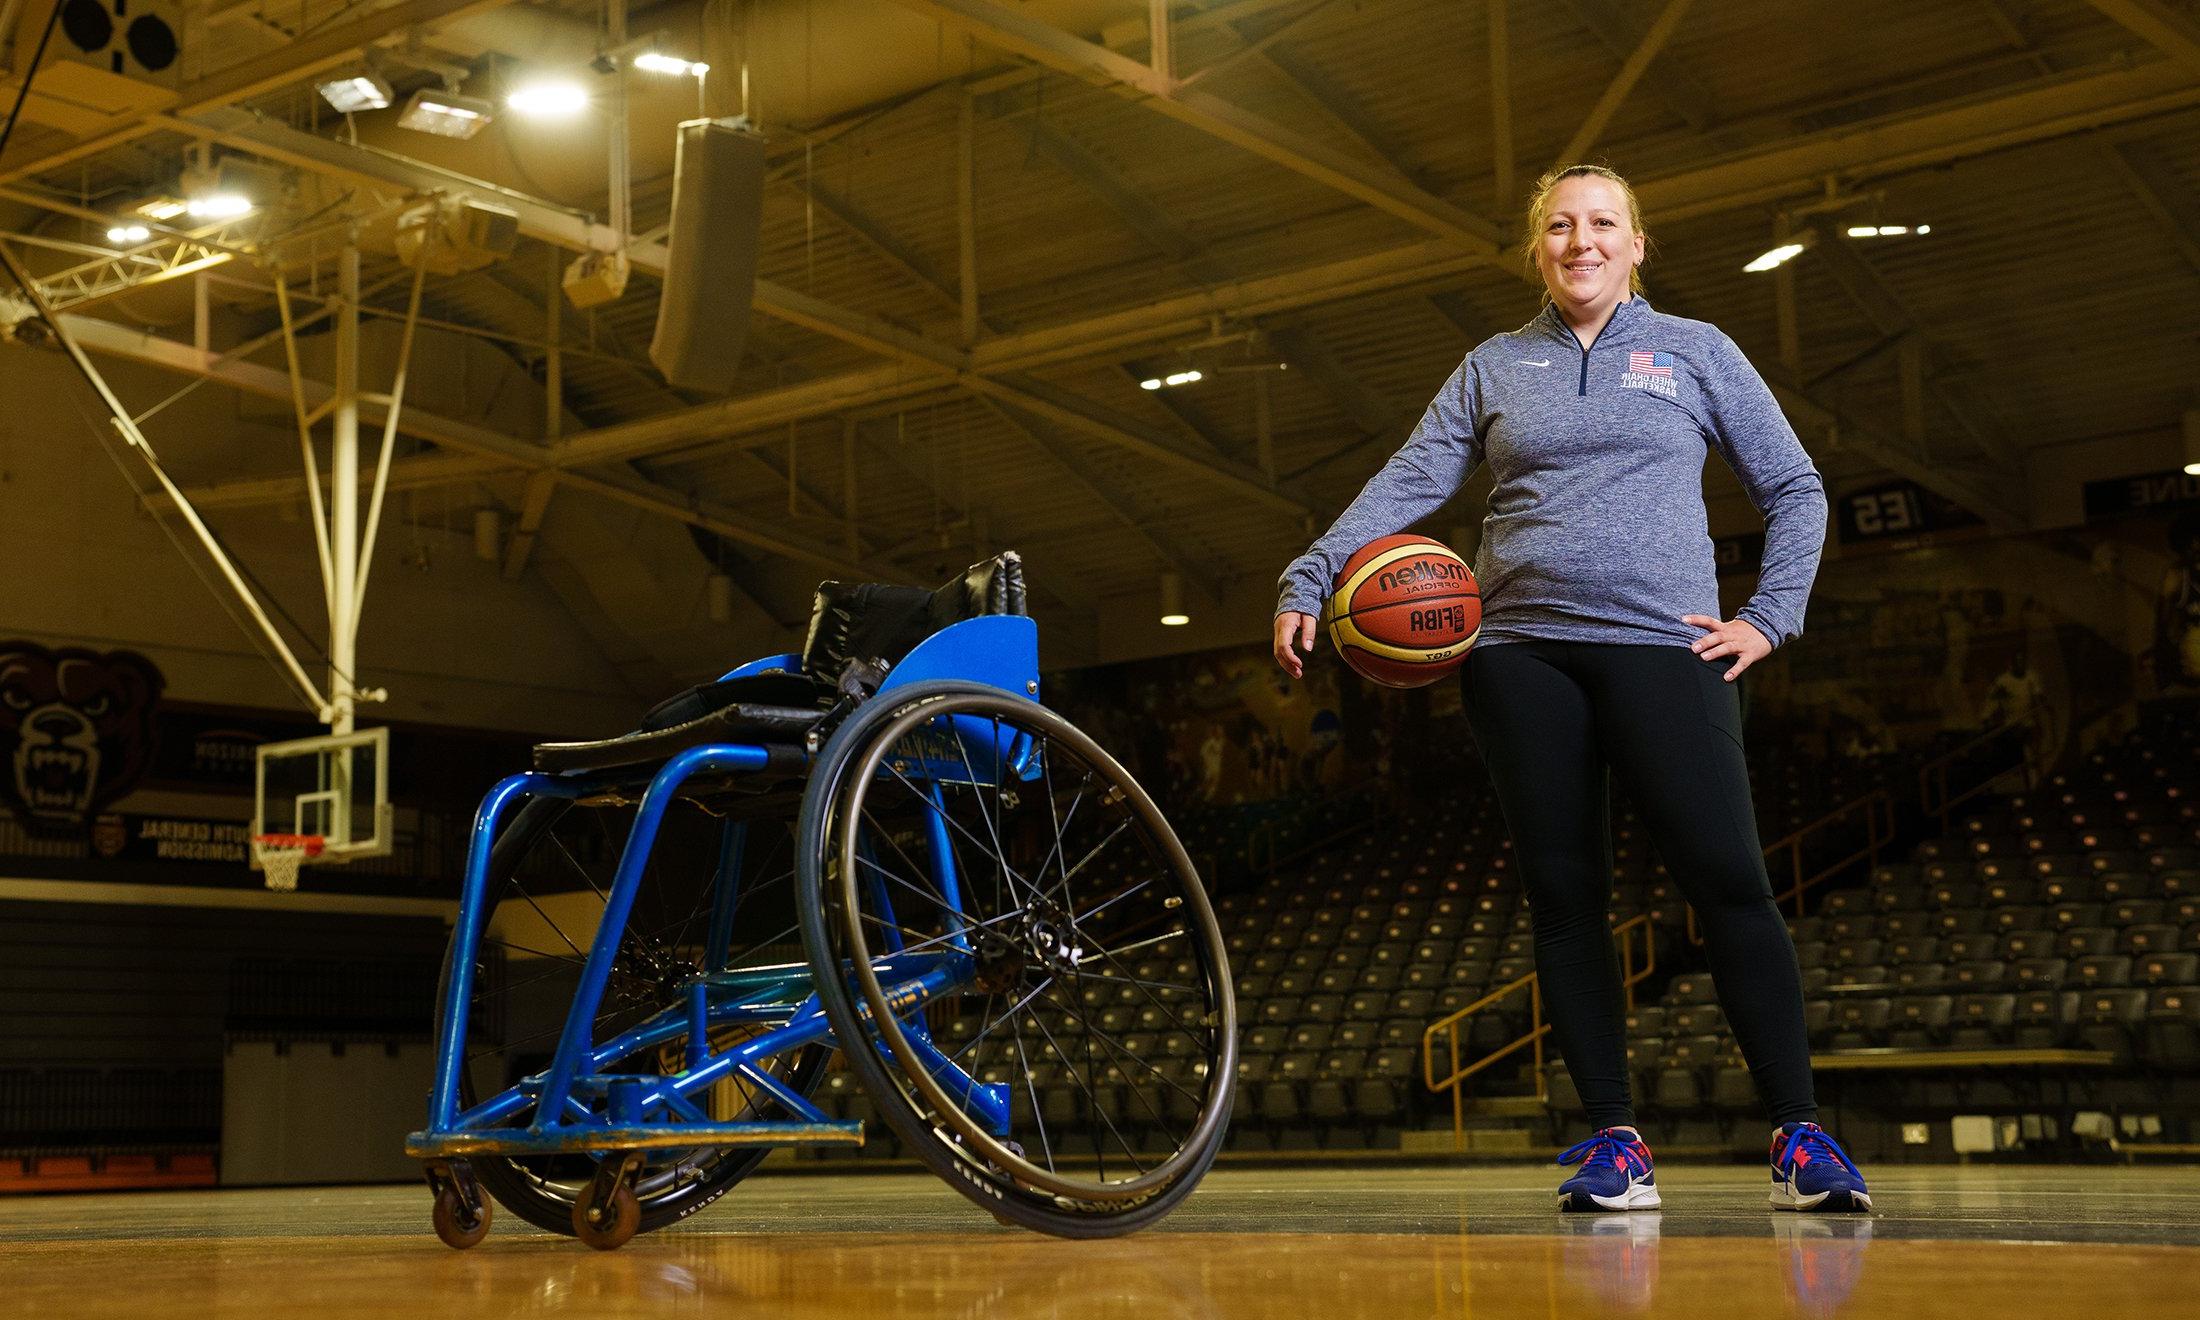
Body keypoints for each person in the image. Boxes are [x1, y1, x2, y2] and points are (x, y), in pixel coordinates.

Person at [1272, 164, 1869, 1214]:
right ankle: (1615, 1144)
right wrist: (1313, 571)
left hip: (1666, 648)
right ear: (1536, 248)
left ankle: (1800, 1137)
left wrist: (1768, 617)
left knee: (1729, 880)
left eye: (1601, 224)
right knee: (1565, 901)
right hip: (1518, 656)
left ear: (1637, 244)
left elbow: (1794, 485)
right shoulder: (1494, 366)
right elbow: (1410, 481)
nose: (1579, 240)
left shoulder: (1695, 350)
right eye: (1558, 225)